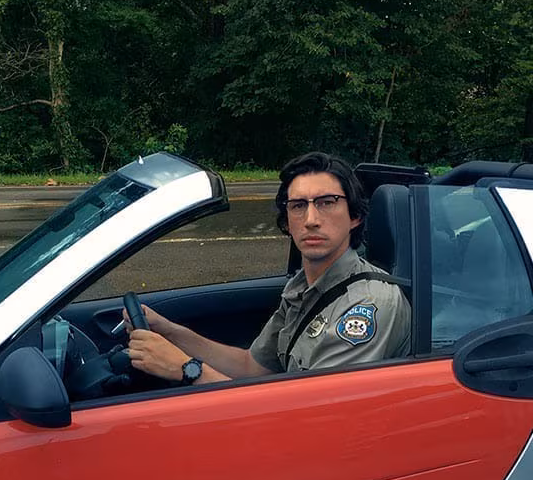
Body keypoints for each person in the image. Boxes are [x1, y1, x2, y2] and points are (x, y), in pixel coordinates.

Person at [125, 151, 411, 385]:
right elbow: (251, 367)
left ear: (355, 216)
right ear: (287, 222)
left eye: (327, 203)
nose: (311, 219)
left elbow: (310, 417)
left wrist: (186, 369)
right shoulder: (303, 286)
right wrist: (170, 332)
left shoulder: (369, 303)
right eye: (298, 205)